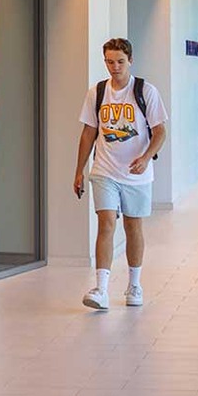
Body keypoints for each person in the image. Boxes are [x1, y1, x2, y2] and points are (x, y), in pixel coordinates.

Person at [73, 37, 167, 309]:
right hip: (104, 169)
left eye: (120, 62)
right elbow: (88, 133)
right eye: (110, 62)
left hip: (137, 173)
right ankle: (101, 289)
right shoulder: (97, 92)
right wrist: (79, 170)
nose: (114, 67)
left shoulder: (145, 91)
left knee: (132, 226)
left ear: (130, 61)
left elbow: (161, 132)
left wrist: (146, 158)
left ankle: (134, 285)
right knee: (106, 223)